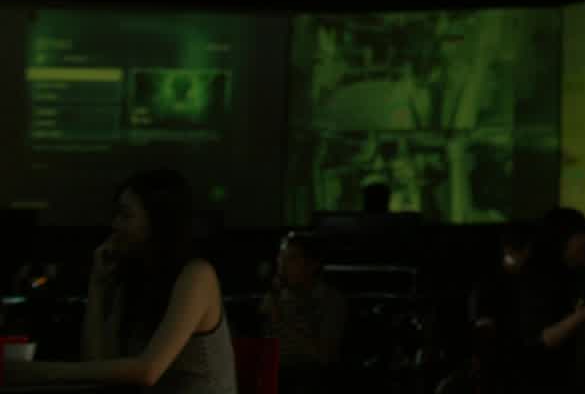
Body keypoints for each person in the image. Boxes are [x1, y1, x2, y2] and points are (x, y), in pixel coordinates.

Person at [6, 169, 239, 392]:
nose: (115, 225)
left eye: (126, 215)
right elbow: (97, 364)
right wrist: (97, 285)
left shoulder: (197, 276)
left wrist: (37, 372)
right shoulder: (135, 280)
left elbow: (149, 370)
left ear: (158, 221)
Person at [519, 208, 585, 391]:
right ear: (562, 239)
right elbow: (541, 340)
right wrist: (583, 316)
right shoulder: (536, 279)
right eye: (580, 234)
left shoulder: (573, 276)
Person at [261, 232, 349, 394]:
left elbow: (324, 356)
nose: (282, 266)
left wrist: (281, 320)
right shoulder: (275, 297)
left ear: (312, 264)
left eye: (292, 259)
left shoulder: (330, 301)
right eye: (281, 258)